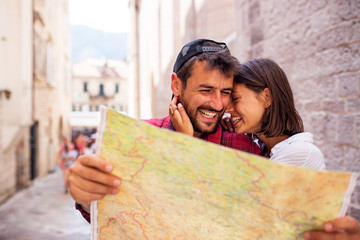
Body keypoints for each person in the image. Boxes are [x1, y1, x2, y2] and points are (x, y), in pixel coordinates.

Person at [68, 39, 262, 223]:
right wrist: (86, 195)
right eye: (206, 90)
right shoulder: (138, 138)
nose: (218, 104)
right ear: (176, 85)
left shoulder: (245, 149)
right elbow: (107, 216)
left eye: (226, 93)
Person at [170, 58, 360, 239]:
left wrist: (188, 143)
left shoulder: (299, 154)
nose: (226, 109)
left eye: (235, 99)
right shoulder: (261, 147)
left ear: (266, 97)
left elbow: (232, 219)